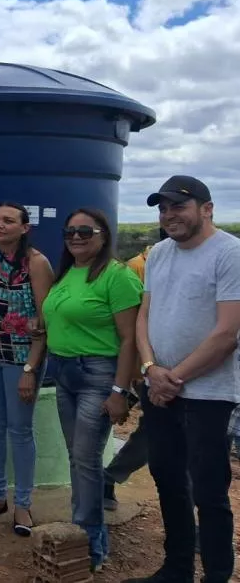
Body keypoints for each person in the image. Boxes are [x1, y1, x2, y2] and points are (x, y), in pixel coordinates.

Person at [125, 176, 240, 583]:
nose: (169, 215)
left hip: (207, 393)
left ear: (207, 209)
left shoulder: (229, 253)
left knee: (209, 491)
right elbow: (144, 316)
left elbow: (227, 334)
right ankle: (176, 569)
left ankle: (217, 575)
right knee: (168, 479)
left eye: (179, 206)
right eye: (163, 208)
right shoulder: (158, 253)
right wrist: (150, 369)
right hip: (159, 388)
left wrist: (172, 377)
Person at [41, 208, 141, 572]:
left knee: (85, 459)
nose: (77, 237)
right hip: (65, 371)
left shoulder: (118, 276)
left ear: (103, 235)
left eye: (86, 231)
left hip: (98, 373)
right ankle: (80, 531)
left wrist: (120, 390)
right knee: (78, 457)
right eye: (70, 232)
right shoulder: (68, 272)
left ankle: (90, 546)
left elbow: (130, 339)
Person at [0, 202, 54, 536]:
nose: (0, 225)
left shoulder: (36, 263)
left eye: (8, 220)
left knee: (20, 431)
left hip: (22, 361)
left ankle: (22, 503)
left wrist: (31, 369)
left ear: (24, 227)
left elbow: (44, 322)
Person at [104, 227, 167, 511]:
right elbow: (133, 323)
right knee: (154, 433)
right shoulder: (140, 267)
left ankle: (110, 476)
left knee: (158, 435)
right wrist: (138, 370)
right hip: (152, 367)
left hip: (192, 369)